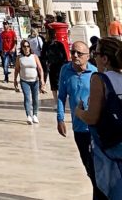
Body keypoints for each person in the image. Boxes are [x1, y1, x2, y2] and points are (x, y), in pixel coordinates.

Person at [56, 41, 104, 200]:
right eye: (72, 52)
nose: (75, 56)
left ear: (87, 56)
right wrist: (60, 118)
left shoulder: (95, 73)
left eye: (79, 53)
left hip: (96, 129)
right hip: (79, 129)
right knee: (89, 168)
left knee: (98, 168)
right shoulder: (65, 70)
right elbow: (61, 96)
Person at [78, 37, 122, 200]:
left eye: (95, 53)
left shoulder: (100, 79)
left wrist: (79, 112)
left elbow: (92, 117)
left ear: (105, 58)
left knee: (105, 192)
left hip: (109, 149)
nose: (93, 57)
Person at [14, 39, 45, 125]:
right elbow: (17, 69)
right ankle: (28, 115)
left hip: (35, 81)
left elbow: (40, 68)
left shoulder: (34, 56)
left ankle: (35, 115)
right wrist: (15, 80)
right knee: (27, 98)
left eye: (28, 46)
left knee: (35, 98)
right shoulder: (19, 58)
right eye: (24, 46)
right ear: (22, 48)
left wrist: (42, 79)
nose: (26, 48)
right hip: (24, 81)